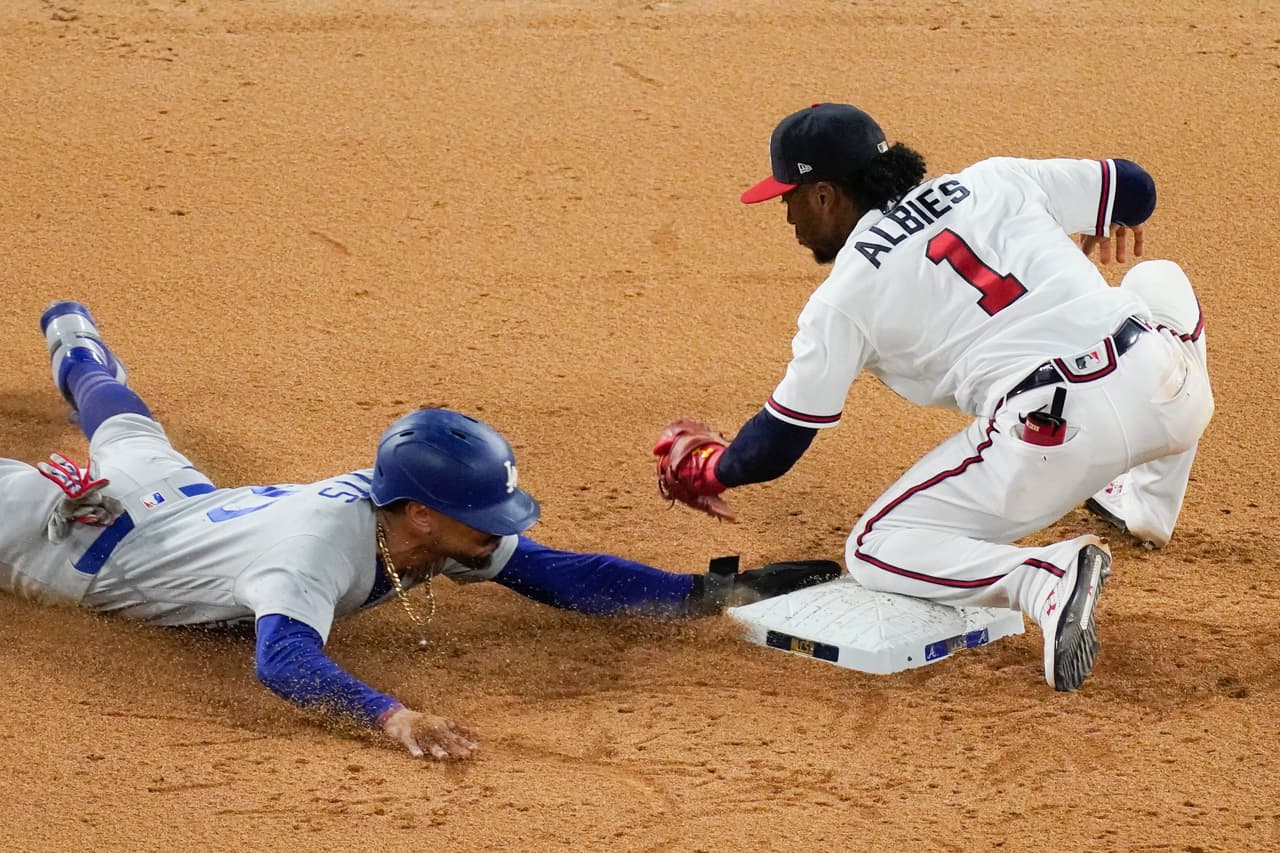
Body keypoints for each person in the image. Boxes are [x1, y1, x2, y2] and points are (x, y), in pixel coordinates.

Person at [0, 301, 838, 760]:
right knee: (118, 441)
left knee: (128, 429)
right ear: (423, 513)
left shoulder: (421, 519)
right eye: (486, 518)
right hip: (72, 545)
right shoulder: (313, 556)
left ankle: (72, 333)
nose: (500, 533)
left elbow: (559, 573)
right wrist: (391, 716)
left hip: (182, 502)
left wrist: (713, 591)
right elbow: (282, 657)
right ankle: (72, 343)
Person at [653, 102, 1213, 692]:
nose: (785, 214)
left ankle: (1042, 577)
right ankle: (1150, 503)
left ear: (824, 195)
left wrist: (714, 470)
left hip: (1053, 436)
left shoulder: (844, 296)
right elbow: (1136, 189)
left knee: (875, 548)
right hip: (1170, 389)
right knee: (1159, 281)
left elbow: (779, 442)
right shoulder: (993, 179)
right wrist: (1105, 219)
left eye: (788, 196)